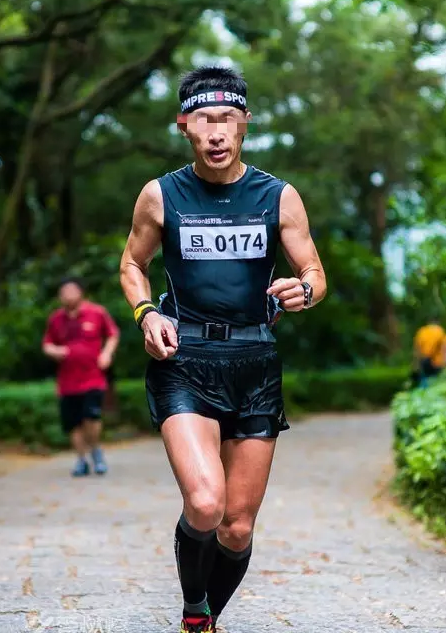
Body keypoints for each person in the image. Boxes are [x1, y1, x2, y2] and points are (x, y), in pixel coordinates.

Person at [120, 66, 327, 633]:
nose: (217, 132)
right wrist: (147, 313)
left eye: (228, 119)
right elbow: (132, 265)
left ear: (244, 125)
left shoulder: (277, 196)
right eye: (205, 120)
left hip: (255, 364)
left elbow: (314, 271)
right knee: (205, 503)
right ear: (184, 125)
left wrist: (303, 289)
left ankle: (207, 614)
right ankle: (194, 613)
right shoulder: (161, 195)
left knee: (236, 527)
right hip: (183, 360)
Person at [42, 277, 120, 476]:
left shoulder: (97, 312)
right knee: (73, 423)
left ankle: (95, 451)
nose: (67, 295)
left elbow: (112, 334)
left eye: (71, 290)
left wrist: (106, 353)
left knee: (91, 416)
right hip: (67, 382)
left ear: (81, 292)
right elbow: (47, 344)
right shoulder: (56, 319)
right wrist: (54, 351)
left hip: (93, 378)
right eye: (63, 292)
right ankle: (81, 460)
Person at [413, 317, 446, 388]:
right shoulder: (440, 331)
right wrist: (444, 362)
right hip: (437, 362)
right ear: (437, 323)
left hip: (424, 362)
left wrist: (416, 365)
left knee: (424, 383)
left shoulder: (422, 331)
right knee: (436, 384)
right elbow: (444, 348)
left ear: (428, 322)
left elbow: (417, 350)